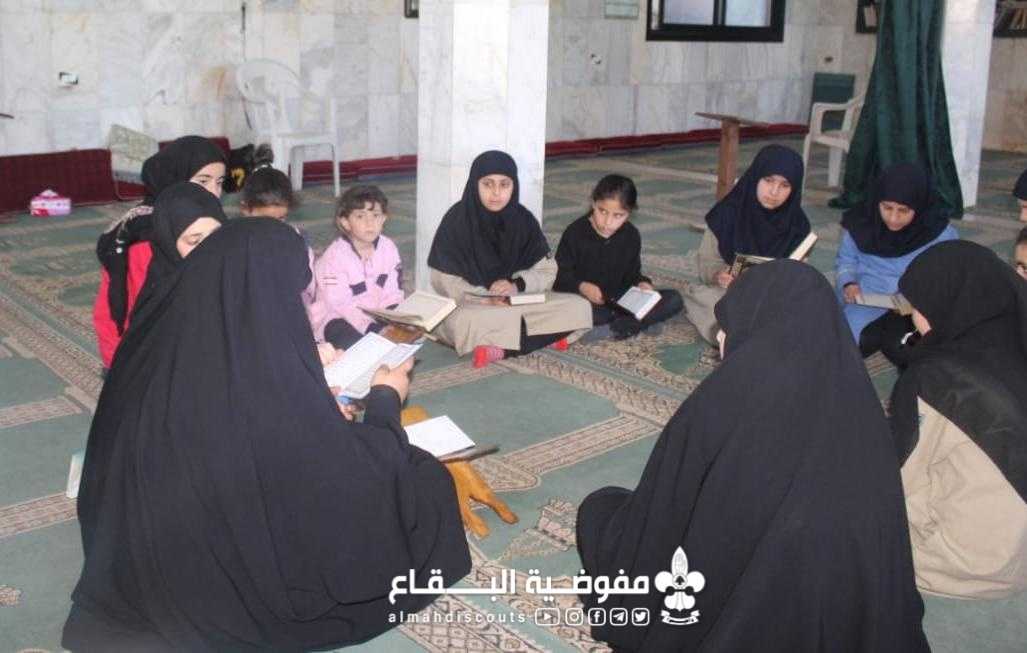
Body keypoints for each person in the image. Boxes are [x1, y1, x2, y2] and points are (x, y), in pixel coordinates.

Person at [63, 218, 470, 652]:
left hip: (138, 552)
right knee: (422, 476)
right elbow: (338, 468)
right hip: (222, 571)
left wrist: (313, 400)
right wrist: (387, 398)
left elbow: (252, 419)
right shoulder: (256, 358)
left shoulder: (168, 330)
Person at [576, 260, 929, 652]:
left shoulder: (723, 401)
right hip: (846, 614)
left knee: (600, 510)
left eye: (726, 326)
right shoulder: (862, 405)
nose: (720, 337)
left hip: (743, 600)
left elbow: (664, 512)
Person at [890, 240, 1027, 599]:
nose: (912, 317)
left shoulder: (939, 380)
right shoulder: (1015, 342)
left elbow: (898, 477)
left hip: (963, 564)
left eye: (918, 305)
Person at [428, 150, 591, 367]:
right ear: (475, 184)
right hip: (475, 305)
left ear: (514, 186)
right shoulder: (457, 220)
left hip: (517, 300)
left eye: (504, 185)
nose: (496, 193)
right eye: (488, 184)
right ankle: (543, 338)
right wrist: (485, 297)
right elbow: (442, 280)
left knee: (579, 306)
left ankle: (501, 349)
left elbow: (547, 270)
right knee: (461, 322)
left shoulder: (523, 219)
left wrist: (516, 285)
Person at [92, 135, 226, 369]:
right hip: (147, 359)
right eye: (203, 181)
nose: (214, 192)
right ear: (172, 178)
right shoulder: (145, 240)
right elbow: (131, 316)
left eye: (220, 182)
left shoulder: (209, 224)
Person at [683, 144, 810, 345]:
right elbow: (707, 262)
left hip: (773, 297)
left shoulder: (798, 226)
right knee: (709, 300)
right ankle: (732, 333)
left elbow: (798, 276)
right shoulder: (727, 214)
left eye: (785, 185)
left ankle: (748, 333)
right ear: (755, 176)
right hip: (729, 292)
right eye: (768, 181)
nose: (774, 191)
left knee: (808, 306)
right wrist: (719, 274)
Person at [835, 162, 957, 362]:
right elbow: (846, 260)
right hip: (868, 297)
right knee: (846, 343)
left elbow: (947, 278)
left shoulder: (940, 235)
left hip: (915, 307)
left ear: (919, 205)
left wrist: (918, 297)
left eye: (903, 210)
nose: (893, 218)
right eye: (887, 208)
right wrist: (848, 283)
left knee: (905, 349)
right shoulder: (861, 223)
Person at [554, 174, 683, 341]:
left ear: (629, 213)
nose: (608, 222)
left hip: (619, 299)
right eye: (602, 211)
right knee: (576, 311)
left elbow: (632, 274)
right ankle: (640, 322)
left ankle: (618, 327)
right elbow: (558, 277)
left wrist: (643, 284)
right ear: (593, 203)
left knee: (674, 299)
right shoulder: (575, 233)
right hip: (585, 300)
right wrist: (582, 286)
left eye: (618, 215)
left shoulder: (631, 235)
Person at [237, 155, 322, 337]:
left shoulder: (297, 239)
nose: (273, 227)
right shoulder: (235, 245)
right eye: (265, 220)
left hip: (292, 317)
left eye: (281, 218)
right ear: (245, 210)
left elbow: (308, 288)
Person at [312, 185, 403, 350]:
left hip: (376, 313)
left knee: (404, 337)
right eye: (360, 216)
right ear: (345, 222)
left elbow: (392, 292)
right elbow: (339, 304)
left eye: (376, 215)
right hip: (337, 317)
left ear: (384, 218)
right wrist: (370, 328)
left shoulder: (388, 248)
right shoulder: (334, 257)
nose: (370, 223)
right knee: (356, 345)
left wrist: (395, 316)